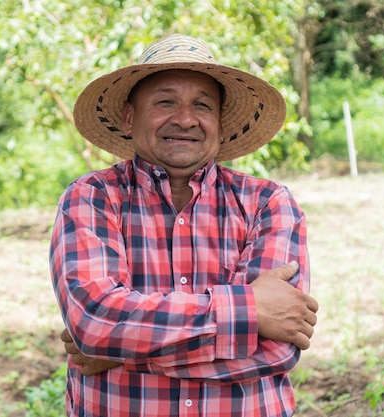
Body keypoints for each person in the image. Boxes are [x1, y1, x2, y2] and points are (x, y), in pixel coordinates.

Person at [49, 34, 319, 416]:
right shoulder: (92, 197)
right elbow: (94, 319)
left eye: (202, 105)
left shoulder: (268, 203)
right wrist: (249, 312)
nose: (186, 119)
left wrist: (119, 352)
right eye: (165, 101)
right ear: (129, 117)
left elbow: (278, 346)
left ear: (220, 124)